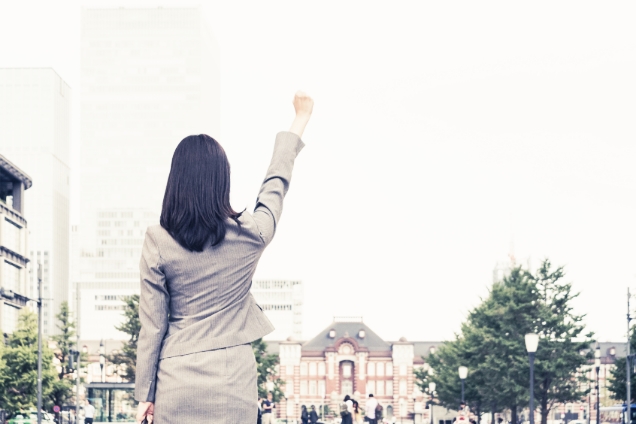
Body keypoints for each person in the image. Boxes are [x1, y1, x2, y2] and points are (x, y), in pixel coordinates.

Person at [134, 91, 314, 424]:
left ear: (176, 180)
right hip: (234, 384)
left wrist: (146, 394)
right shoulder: (251, 233)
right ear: (222, 180)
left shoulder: (157, 240)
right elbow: (274, 186)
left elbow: (153, 326)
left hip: (176, 380)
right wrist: (299, 120)